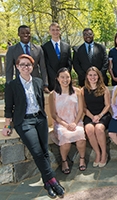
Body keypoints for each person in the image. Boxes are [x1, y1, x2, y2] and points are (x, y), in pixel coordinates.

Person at [2, 54, 64, 198]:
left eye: (28, 65)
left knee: (44, 151)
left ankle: (47, 183)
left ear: (32, 67)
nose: (26, 67)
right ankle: (54, 181)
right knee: (37, 152)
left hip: (40, 119)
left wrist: (44, 116)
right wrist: (7, 126)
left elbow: (40, 102)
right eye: (22, 65)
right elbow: (8, 107)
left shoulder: (38, 81)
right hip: (24, 122)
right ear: (17, 67)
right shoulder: (12, 85)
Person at [49, 68, 86, 174]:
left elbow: (80, 110)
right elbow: (53, 114)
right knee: (65, 139)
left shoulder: (77, 92)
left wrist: (74, 122)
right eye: (62, 77)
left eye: (67, 77)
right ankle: (64, 161)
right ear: (57, 79)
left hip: (76, 121)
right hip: (61, 123)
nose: (65, 80)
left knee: (80, 137)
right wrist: (65, 124)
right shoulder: (53, 94)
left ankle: (82, 159)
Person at [82, 67, 112, 168]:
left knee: (99, 128)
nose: (92, 77)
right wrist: (92, 116)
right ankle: (97, 153)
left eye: (95, 75)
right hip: (89, 115)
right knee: (89, 129)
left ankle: (104, 154)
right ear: (87, 76)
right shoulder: (83, 90)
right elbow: (83, 107)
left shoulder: (104, 89)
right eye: (90, 75)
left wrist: (99, 116)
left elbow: (107, 105)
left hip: (103, 114)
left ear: (99, 76)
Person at [5, 25, 49, 92]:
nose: (25, 35)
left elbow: (43, 68)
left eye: (28, 33)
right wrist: (9, 86)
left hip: (35, 82)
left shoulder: (38, 49)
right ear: (18, 34)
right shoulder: (12, 50)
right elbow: (9, 70)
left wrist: (45, 84)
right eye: (22, 33)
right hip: (20, 84)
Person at [42, 22, 72, 91]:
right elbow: (46, 64)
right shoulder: (45, 47)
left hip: (65, 80)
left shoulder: (66, 46)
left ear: (60, 31)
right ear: (49, 32)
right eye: (53, 30)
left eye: (57, 30)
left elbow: (69, 63)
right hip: (52, 80)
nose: (55, 32)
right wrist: (56, 77)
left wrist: (64, 76)